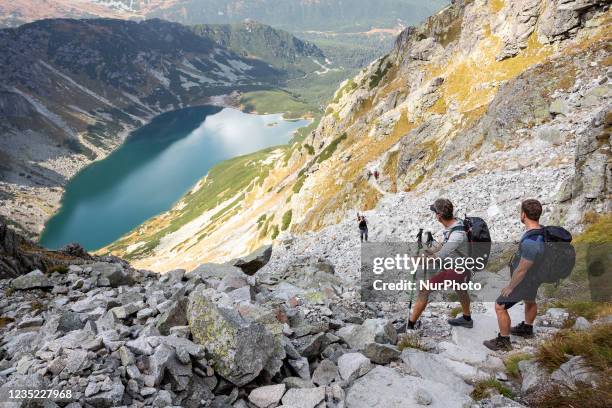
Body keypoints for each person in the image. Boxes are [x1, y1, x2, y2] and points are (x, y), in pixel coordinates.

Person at [484, 199, 545, 351]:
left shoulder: (531, 242)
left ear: (523, 214)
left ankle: (503, 341)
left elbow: (522, 269)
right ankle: (527, 328)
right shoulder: (541, 230)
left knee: (500, 306)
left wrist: (511, 287)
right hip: (535, 277)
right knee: (530, 299)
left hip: (526, 279)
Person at [407, 198, 473, 330]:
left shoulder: (457, 234)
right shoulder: (455, 224)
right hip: (461, 267)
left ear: (439, 215)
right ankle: (467, 319)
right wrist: (428, 251)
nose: (434, 215)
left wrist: (420, 261)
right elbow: (444, 246)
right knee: (460, 290)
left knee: (424, 289)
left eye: (435, 212)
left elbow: (441, 256)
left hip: (456, 269)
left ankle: (410, 325)